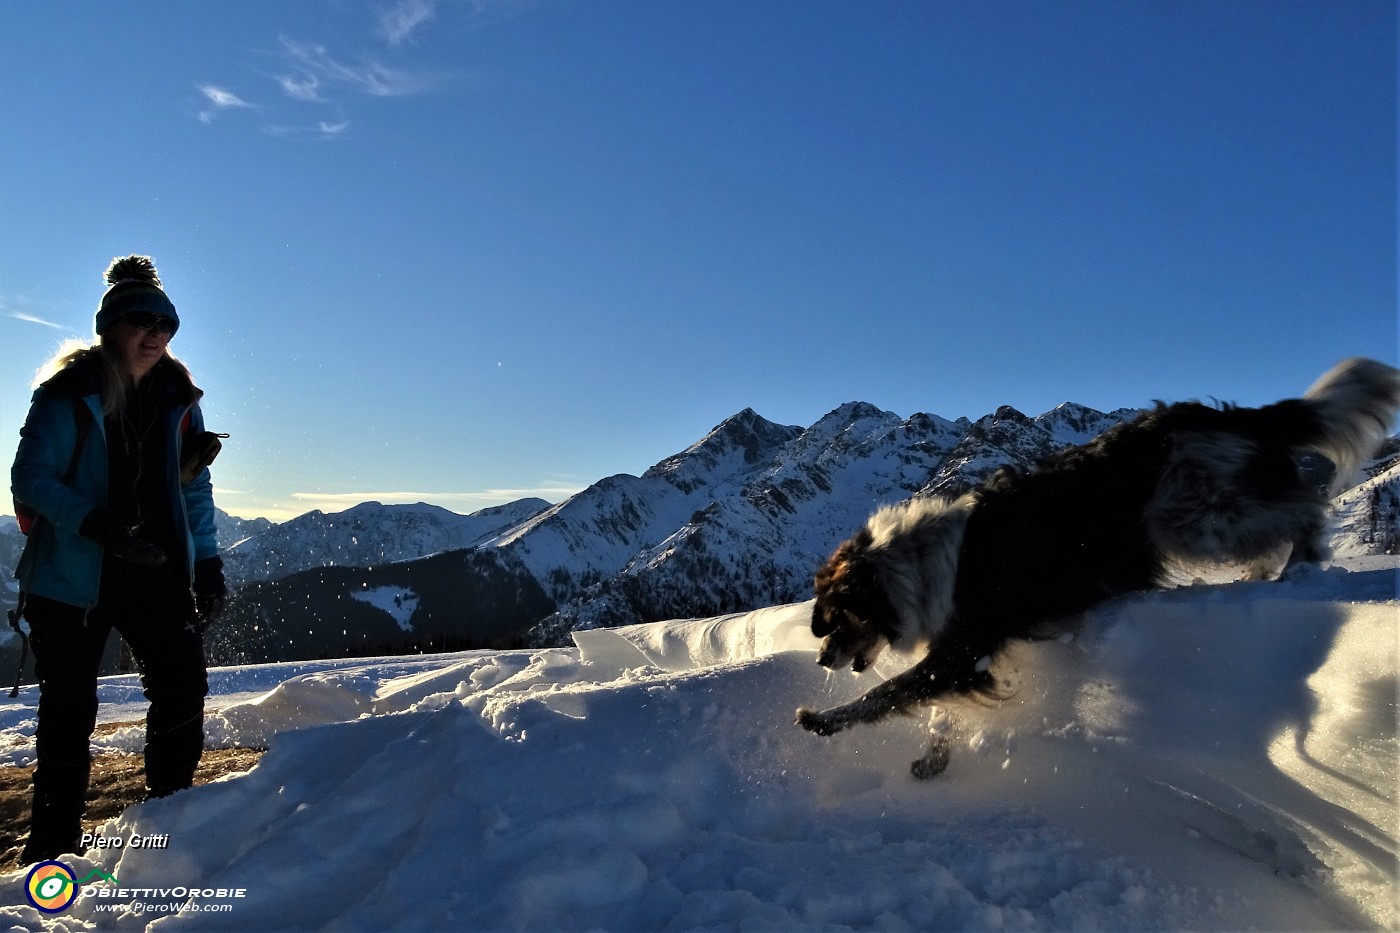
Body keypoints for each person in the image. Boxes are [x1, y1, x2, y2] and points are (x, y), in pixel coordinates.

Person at [10, 254, 227, 863]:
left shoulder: (177, 397)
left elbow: (193, 486)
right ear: (111, 327)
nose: (156, 335)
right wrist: (98, 523)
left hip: (155, 571)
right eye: (142, 322)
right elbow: (30, 478)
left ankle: (170, 823)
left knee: (183, 688)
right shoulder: (68, 394)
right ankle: (50, 849)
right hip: (73, 576)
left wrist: (207, 561)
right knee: (69, 711)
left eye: (167, 325)